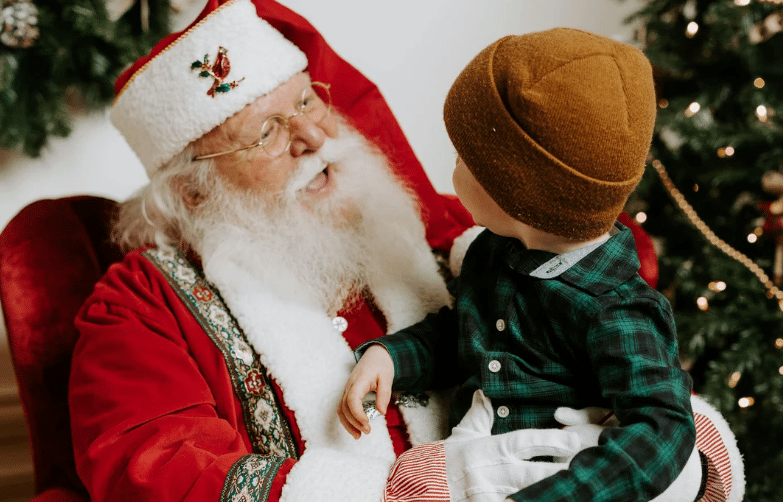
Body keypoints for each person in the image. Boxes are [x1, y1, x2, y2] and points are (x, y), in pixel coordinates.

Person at [67, 0, 741, 499]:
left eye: (306, 99)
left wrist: (683, 452)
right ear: (191, 192)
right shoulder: (141, 307)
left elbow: (603, 310)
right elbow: (153, 468)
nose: (313, 134)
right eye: (267, 130)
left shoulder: (435, 224)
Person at [338, 28, 744, 502]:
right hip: (481, 459)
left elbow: (660, 431)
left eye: (464, 157)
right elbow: (464, 334)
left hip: (565, 478)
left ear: (515, 193)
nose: (452, 165)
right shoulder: (494, 252)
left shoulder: (616, 309)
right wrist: (391, 356)